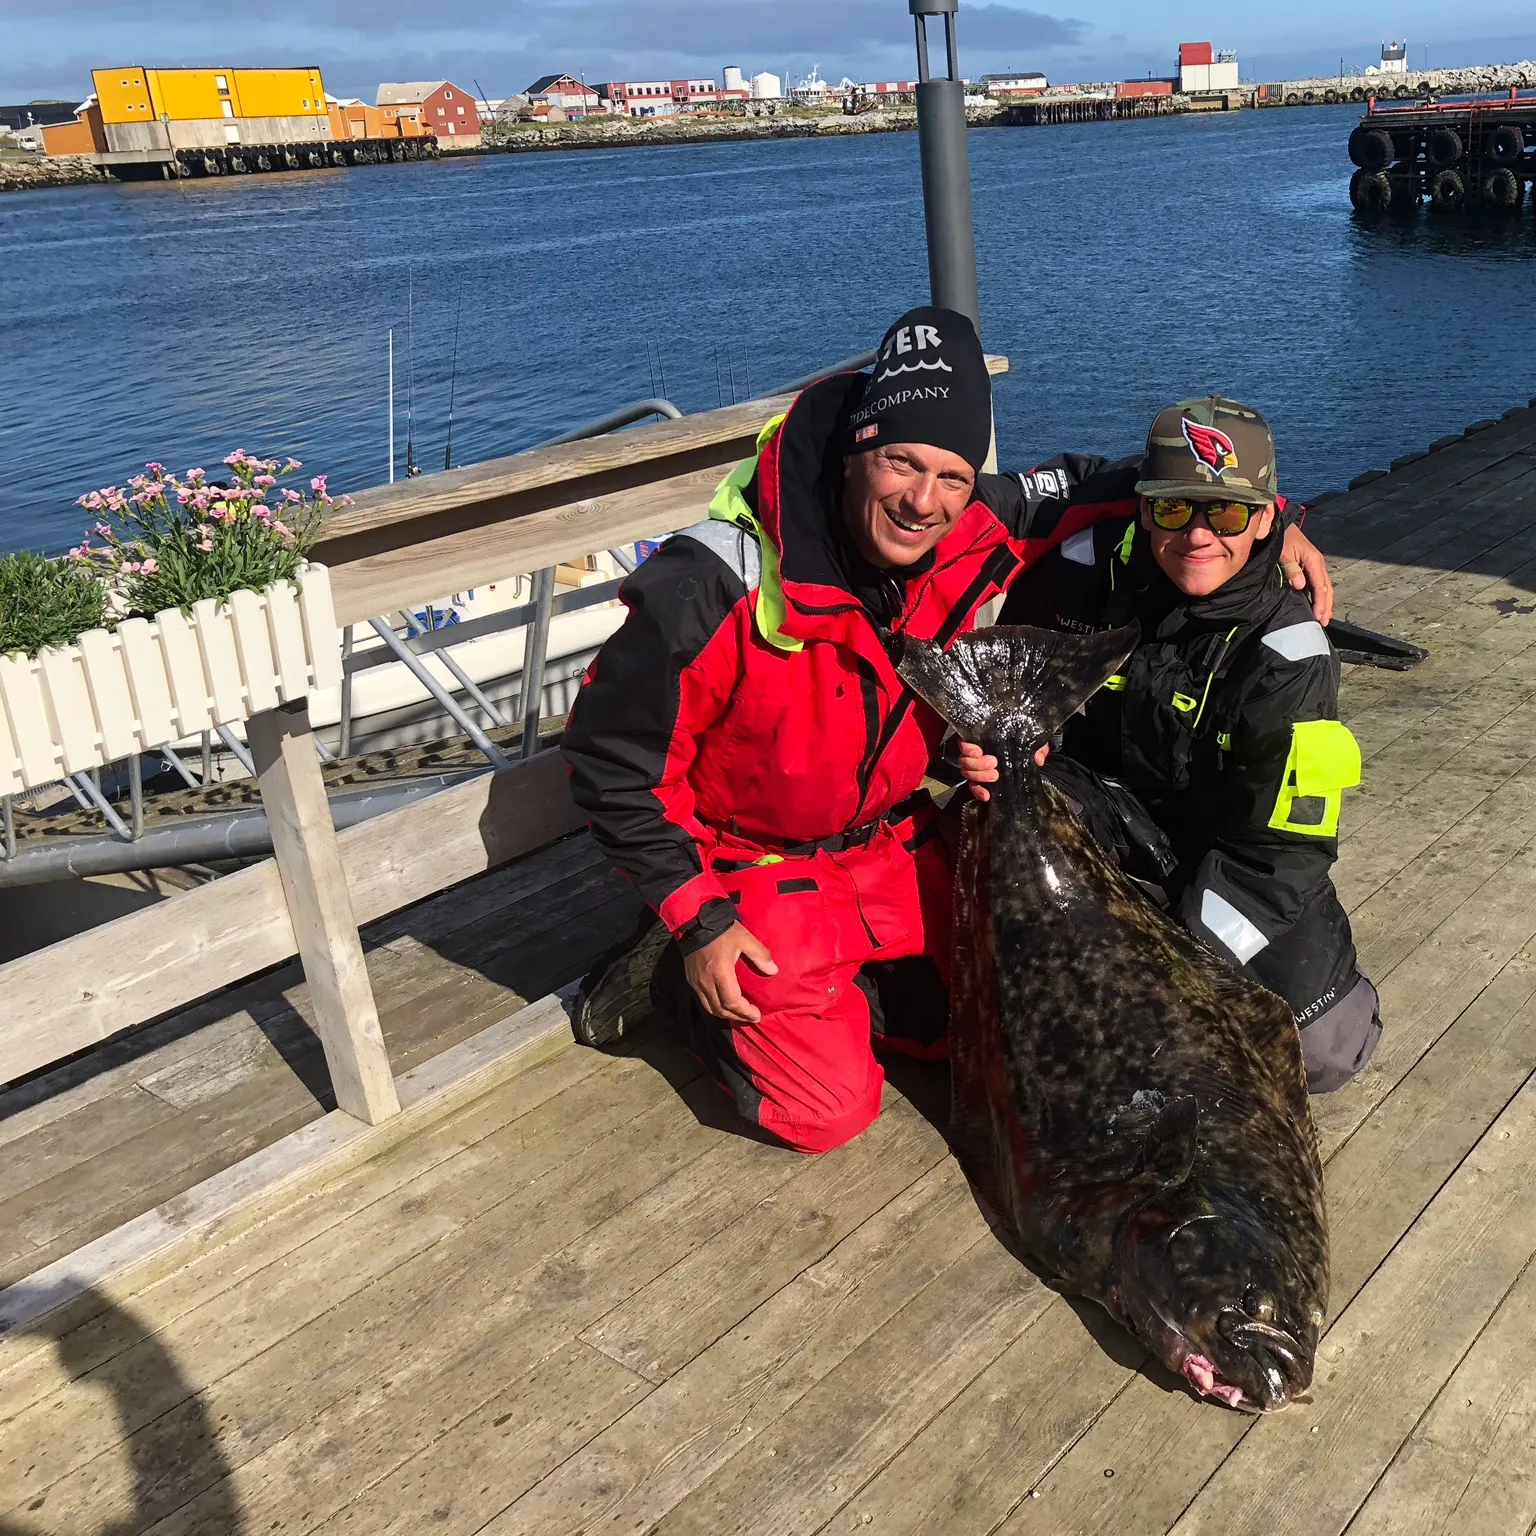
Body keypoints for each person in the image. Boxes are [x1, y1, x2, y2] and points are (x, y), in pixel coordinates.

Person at [563, 312, 1335, 1153]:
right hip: (751, 860)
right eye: (901, 461)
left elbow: (1087, 486)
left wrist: (1265, 521)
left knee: (1002, 1027)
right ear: (856, 450)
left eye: (952, 476)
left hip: (885, 840)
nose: (923, 500)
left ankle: (837, 986)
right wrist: (698, 917)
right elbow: (611, 763)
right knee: (826, 1113)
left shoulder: (969, 522)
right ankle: (683, 980)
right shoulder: (707, 586)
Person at [994, 396, 1379, 1092]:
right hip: (1106, 812)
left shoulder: (1293, 657)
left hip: (1236, 855)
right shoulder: (1081, 569)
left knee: (1324, 1052)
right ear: (1143, 508)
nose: (1198, 535)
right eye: (1174, 509)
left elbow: (1282, 856)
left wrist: (1176, 967)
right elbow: (1015, 678)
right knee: (998, 802)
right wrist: (1011, 741)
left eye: (1226, 513)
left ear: (1266, 518)